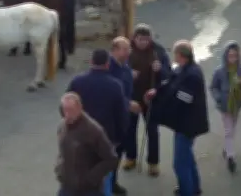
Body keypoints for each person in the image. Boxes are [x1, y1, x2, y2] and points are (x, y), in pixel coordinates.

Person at [145, 40, 209, 196]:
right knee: (187, 157)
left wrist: (164, 104)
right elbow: (170, 81)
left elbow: (184, 98)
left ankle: (186, 191)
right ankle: (194, 188)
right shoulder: (183, 69)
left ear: (181, 55)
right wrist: (158, 90)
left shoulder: (192, 74)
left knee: (180, 163)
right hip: (185, 123)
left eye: (175, 54)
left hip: (188, 124)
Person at [67, 49, 127, 196]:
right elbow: (121, 115)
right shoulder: (115, 86)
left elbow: (65, 108)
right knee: (104, 176)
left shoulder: (77, 82)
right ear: (107, 65)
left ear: (91, 62)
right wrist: (119, 138)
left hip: (80, 137)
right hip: (106, 138)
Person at [124, 24, 170, 176]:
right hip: (132, 97)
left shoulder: (159, 52)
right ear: (134, 38)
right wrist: (128, 73)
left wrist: (160, 70)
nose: (143, 42)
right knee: (130, 129)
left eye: (146, 39)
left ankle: (153, 163)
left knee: (152, 131)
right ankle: (130, 157)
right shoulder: (126, 50)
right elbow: (116, 70)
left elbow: (169, 75)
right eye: (140, 39)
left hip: (151, 98)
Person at [56, 92, 118, 196]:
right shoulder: (62, 126)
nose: (67, 115)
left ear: (80, 108)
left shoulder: (93, 131)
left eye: (71, 110)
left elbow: (111, 159)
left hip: (88, 190)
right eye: (64, 110)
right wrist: (59, 168)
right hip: (67, 186)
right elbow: (62, 150)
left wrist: (90, 178)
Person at [209, 41, 241, 172]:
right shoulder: (219, 71)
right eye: (230, 56)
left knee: (232, 128)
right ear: (225, 56)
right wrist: (219, 98)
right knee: (228, 130)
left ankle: (227, 148)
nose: (232, 58)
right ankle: (231, 157)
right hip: (225, 105)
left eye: (235, 56)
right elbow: (213, 87)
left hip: (237, 104)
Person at [108, 37, 134, 195]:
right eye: (125, 49)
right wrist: (128, 103)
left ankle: (113, 182)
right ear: (115, 50)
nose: (128, 52)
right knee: (111, 154)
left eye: (129, 49)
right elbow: (111, 93)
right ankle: (108, 185)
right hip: (112, 119)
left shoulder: (125, 66)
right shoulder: (109, 68)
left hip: (124, 116)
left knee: (119, 152)